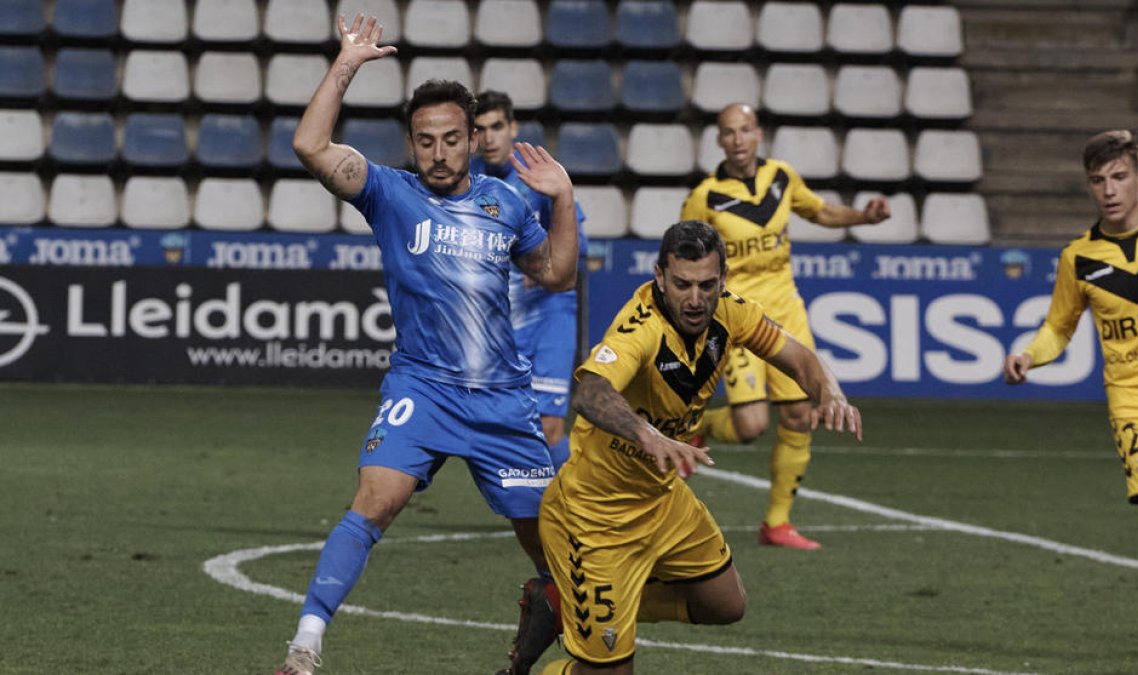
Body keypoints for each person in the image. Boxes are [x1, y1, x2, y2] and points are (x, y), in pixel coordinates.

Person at [274, 15, 578, 675]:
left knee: (554, 553)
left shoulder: (505, 205)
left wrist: (561, 200)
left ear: (472, 139)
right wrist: (347, 64)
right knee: (373, 502)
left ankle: (540, 625)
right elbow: (308, 143)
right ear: (410, 144)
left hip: (502, 404)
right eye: (425, 141)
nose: (438, 153)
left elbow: (557, 275)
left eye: (450, 139)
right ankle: (305, 646)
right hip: (423, 390)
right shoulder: (388, 193)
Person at [528, 220, 862, 675]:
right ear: (660, 276)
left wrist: (831, 394)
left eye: (707, 285)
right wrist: (647, 435)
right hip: (595, 516)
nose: (694, 298)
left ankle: (564, 602)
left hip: (662, 502)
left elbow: (800, 358)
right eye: (682, 284)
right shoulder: (640, 327)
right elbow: (591, 393)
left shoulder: (731, 311)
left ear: (722, 279)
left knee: (725, 605)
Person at [1004, 129, 1138, 610]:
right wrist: (1030, 353)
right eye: (1097, 180)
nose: (1109, 191)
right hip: (1136, 408)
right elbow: (1059, 327)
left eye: (1118, 177)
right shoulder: (1080, 258)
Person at [680, 103, 889, 550]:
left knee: (799, 415)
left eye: (746, 130)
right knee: (752, 425)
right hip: (737, 318)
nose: (738, 139)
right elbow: (682, 250)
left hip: (787, 314)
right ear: (718, 141)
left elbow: (820, 212)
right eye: (729, 132)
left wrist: (864, 218)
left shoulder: (782, 176)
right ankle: (698, 425)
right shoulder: (706, 195)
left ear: (759, 134)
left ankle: (777, 523)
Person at [472, 90, 589, 469]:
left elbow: (580, 243)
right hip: (502, 323)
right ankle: (547, 505)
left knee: (550, 425)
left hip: (550, 313)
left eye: (496, 127)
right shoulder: (468, 181)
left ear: (513, 127)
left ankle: (577, 512)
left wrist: (543, 267)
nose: (489, 138)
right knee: (509, 428)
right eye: (480, 129)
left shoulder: (534, 174)